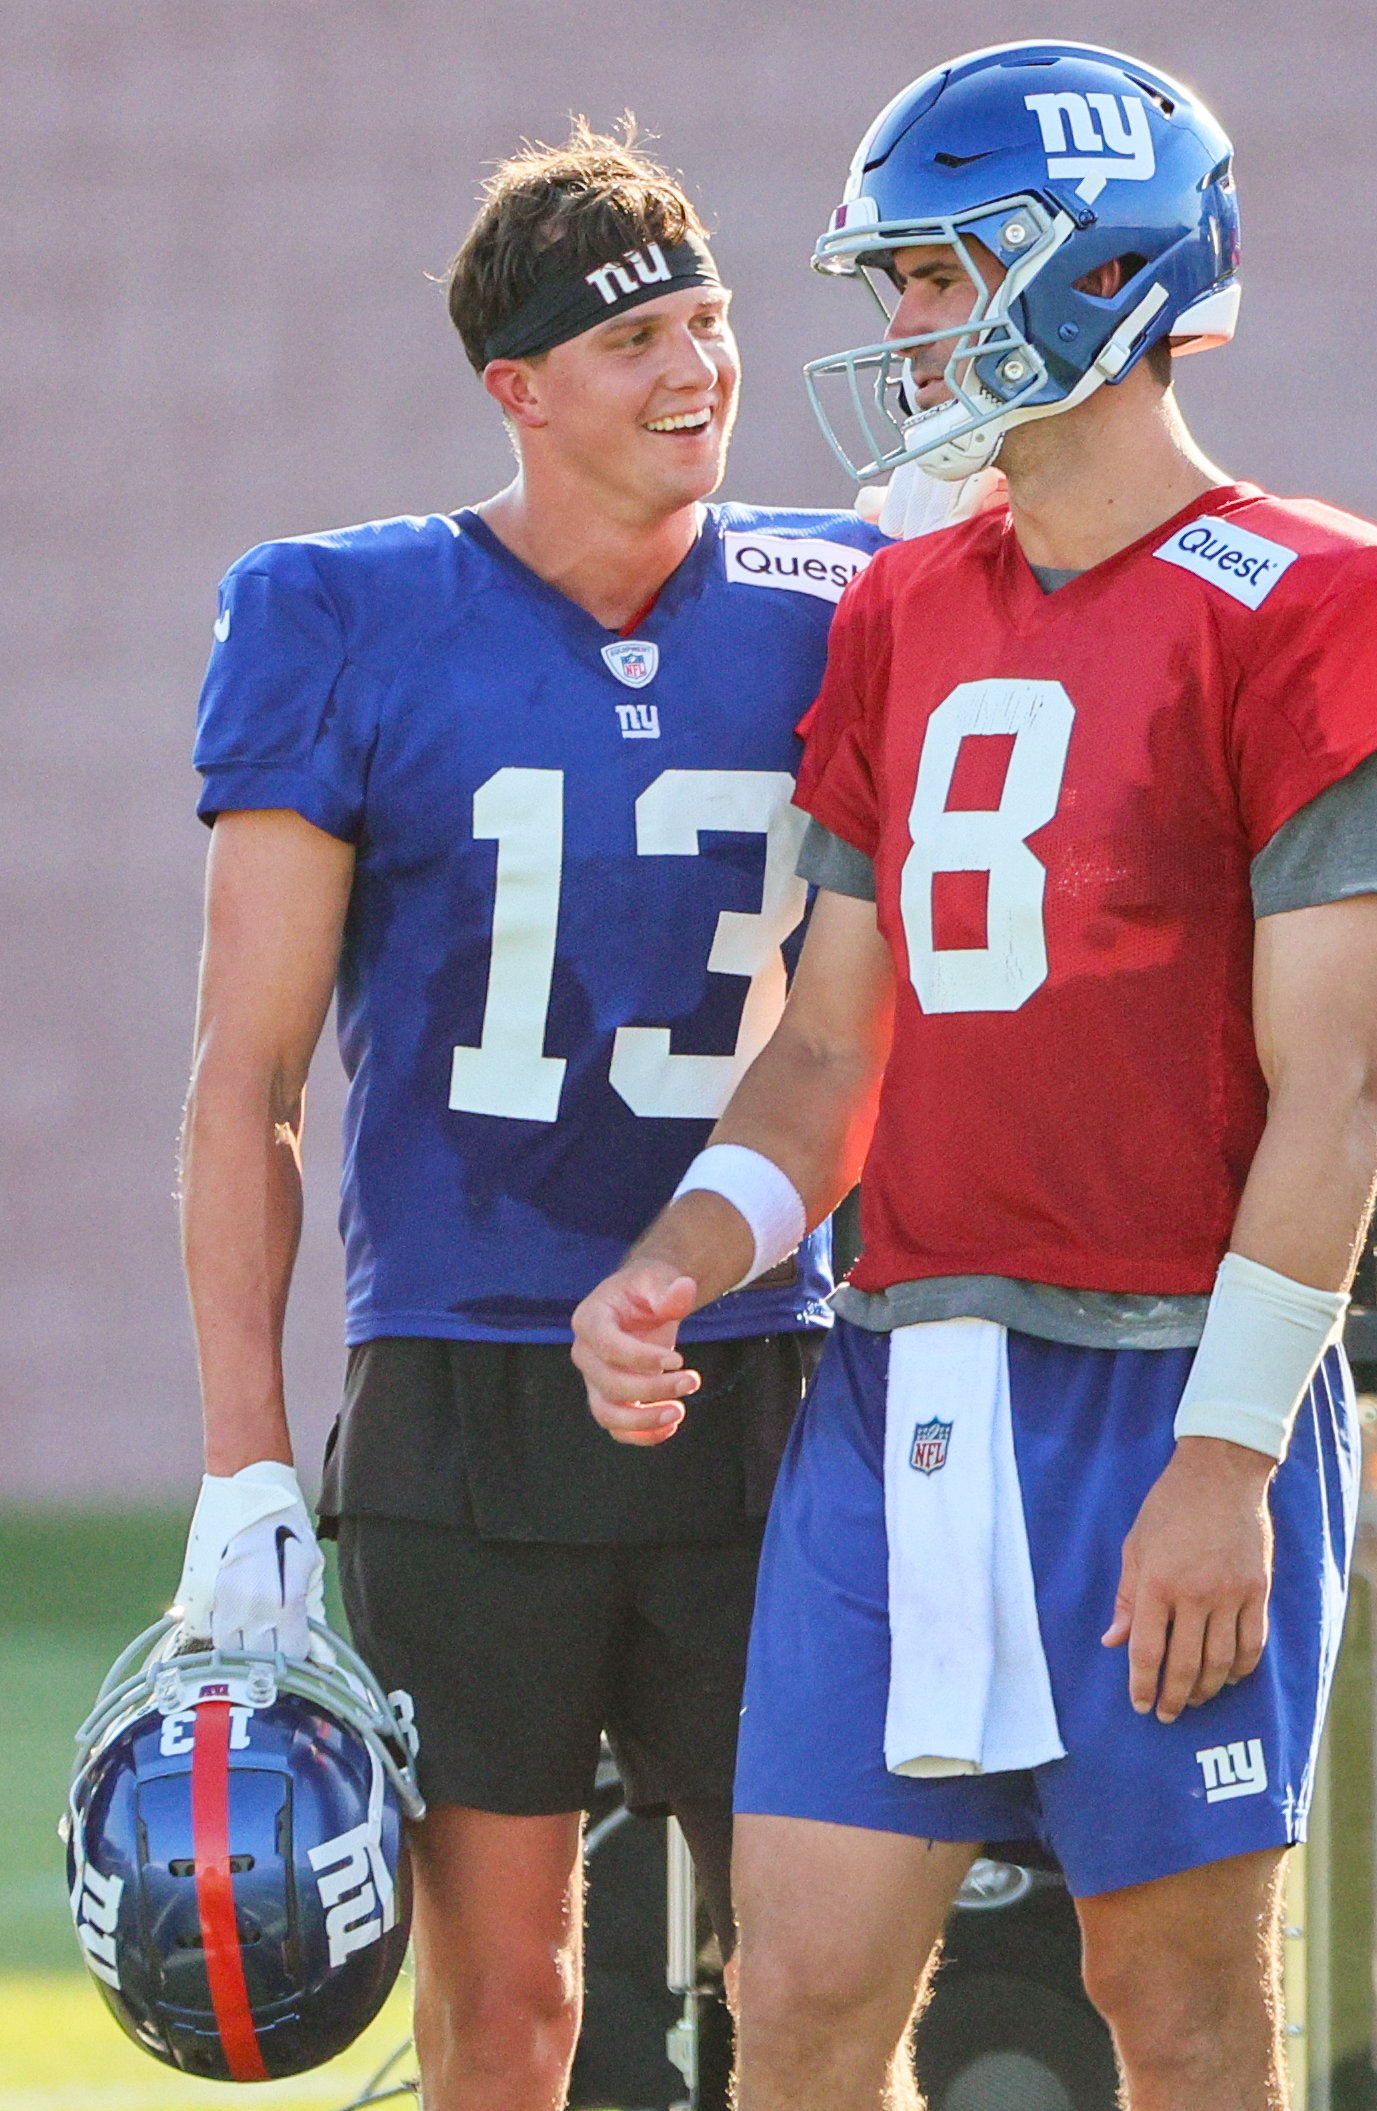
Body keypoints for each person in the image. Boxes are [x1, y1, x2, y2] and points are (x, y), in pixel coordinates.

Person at [571, 43, 1377, 2111]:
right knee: (795, 1993)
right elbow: (830, 1050)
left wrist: (1228, 1456)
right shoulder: (905, 607)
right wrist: (680, 1256)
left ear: (1096, 271)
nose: (895, 327)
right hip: (908, 1384)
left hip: (1167, 1381)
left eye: (930, 274)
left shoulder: (1336, 605)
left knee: (1174, 2007)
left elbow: (1338, 1094)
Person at [173, 121, 899, 2111]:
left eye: (712, 317)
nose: (700, 370)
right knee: (510, 2006)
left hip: (771, 1369)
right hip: (469, 1398)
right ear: (520, 391)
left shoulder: (867, 595)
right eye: (640, 337)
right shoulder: (341, 613)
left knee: (825, 1987)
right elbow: (246, 1079)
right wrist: (245, 1463)